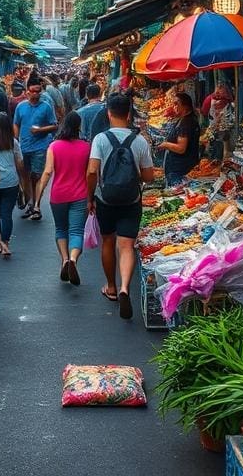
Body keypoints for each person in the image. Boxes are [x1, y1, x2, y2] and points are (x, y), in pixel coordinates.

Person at [87, 93, 154, 319]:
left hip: (105, 199)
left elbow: (92, 171)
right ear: (129, 114)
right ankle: (126, 286)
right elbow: (149, 176)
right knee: (126, 246)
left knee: (108, 241)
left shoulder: (100, 139)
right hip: (131, 200)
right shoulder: (140, 141)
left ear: (108, 113)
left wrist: (90, 197)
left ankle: (112, 288)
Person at [36, 112, 91, 286]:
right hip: (80, 194)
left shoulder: (54, 146)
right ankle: (74, 259)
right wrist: (92, 197)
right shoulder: (86, 147)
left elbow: (47, 171)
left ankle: (65, 260)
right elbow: (91, 173)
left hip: (58, 195)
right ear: (78, 127)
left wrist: (38, 198)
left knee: (61, 229)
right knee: (76, 231)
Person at [13, 77, 58, 221]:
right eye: (33, 91)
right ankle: (30, 203)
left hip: (40, 146)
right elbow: (16, 124)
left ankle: (36, 205)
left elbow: (54, 125)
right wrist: (16, 140)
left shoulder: (46, 107)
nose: (36, 94)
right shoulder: (21, 107)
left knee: (37, 176)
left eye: (38, 91)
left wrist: (40, 130)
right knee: (26, 176)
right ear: (27, 92)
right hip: (24, 146)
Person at [0, 113, 23, 257]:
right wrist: (23, 182)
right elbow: (20, 164)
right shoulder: (13, 142)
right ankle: (5, 243)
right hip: (11, 182)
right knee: (6, 215)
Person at [156, 92, 201, 186]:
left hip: (180, 169)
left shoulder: (186, 123)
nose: (174, 106)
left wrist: (165, 144)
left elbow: (181, 148)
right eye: (173, 104)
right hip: (182, 167)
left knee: (179, 193)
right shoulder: (187, 119)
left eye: (177, 104)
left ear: (185, 106)